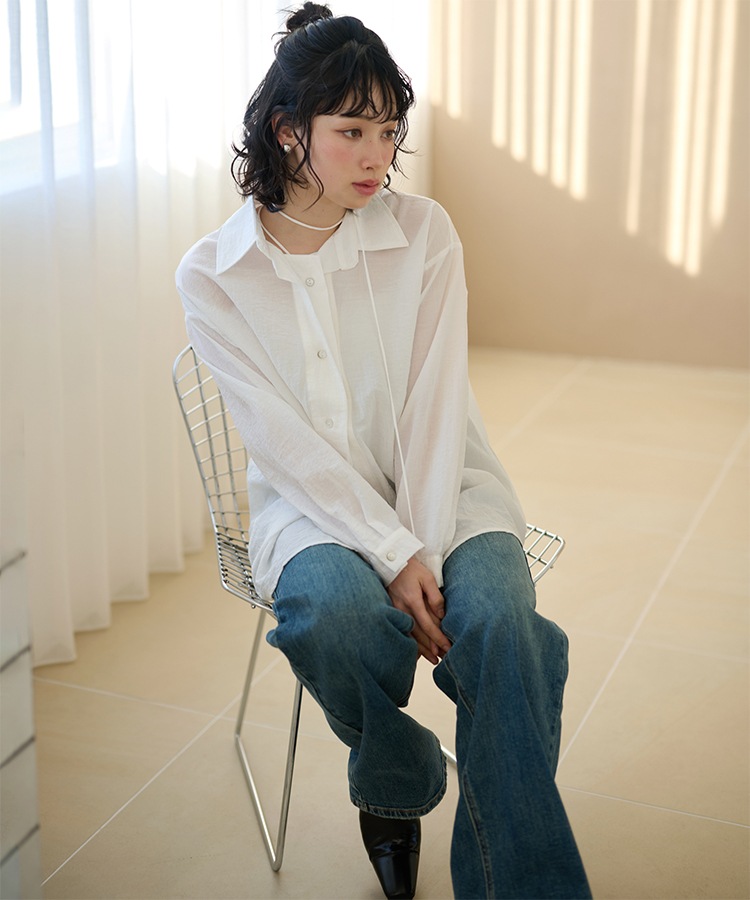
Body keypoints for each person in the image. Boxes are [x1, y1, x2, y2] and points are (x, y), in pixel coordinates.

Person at [176, 4, 591, 898]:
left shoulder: (425, 234)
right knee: (331, 613)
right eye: (351, 131)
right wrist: (389, 553)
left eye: (389, 131)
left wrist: (421, 550)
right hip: (311, 510)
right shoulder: (213, 274)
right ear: (289, 131)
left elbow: (439, 407)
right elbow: (282, 443)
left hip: (449, 493)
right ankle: (397, 776)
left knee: (502, 623)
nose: (377, 156)